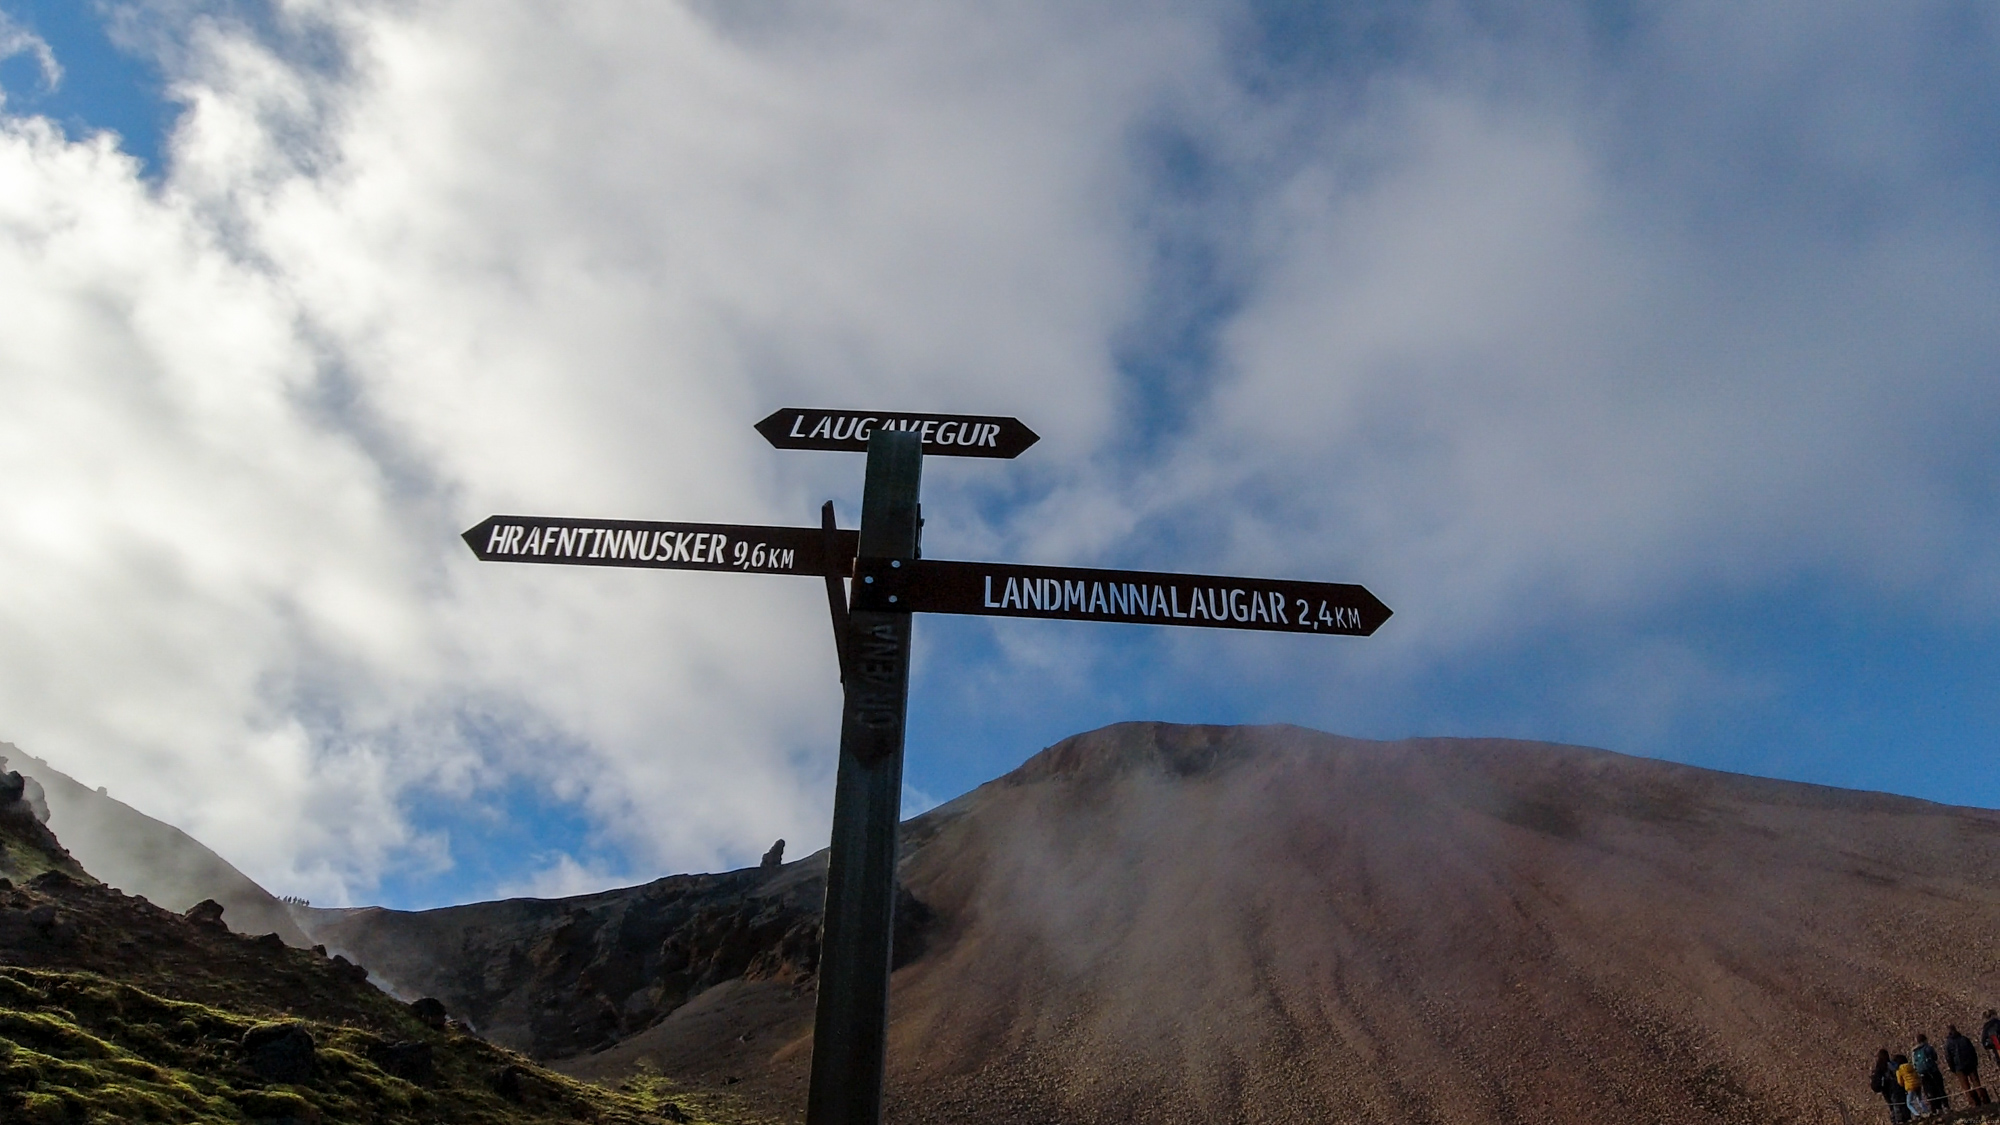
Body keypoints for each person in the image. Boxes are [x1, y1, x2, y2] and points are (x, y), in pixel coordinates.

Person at [1945, 1025, 1991, 1107]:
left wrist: (1952, 1068)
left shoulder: (1948, 1043)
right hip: (1970, 1064)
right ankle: (1983, 1099)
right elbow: (1972, 1051)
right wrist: (1975, 1062)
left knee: (1966, 1086)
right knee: (1976, 1082)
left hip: (1958, 1067)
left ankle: (1973, 1103)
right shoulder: (1964, 1039)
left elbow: (1948, 1057)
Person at [1912, 1034, 1950, 1113]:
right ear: (1925, 1040)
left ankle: (1936, 1108)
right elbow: (1935, 1057)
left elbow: (1914, 1064)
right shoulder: (1928, 1048)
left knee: (1930, 1092)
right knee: (1940, 1089)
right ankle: (1946, 1106)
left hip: (1923, 1075)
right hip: (1933, 1071)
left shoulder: (1914, 1052)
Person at [1875, 1049, 1912, 1123]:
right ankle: (1904, 1119)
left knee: (1892, 1106)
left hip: (1886, 1090)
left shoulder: (1878, 1067)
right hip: (1895, 1088)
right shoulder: (1890, 1064)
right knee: (1899, 1104)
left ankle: (1896, 1121)